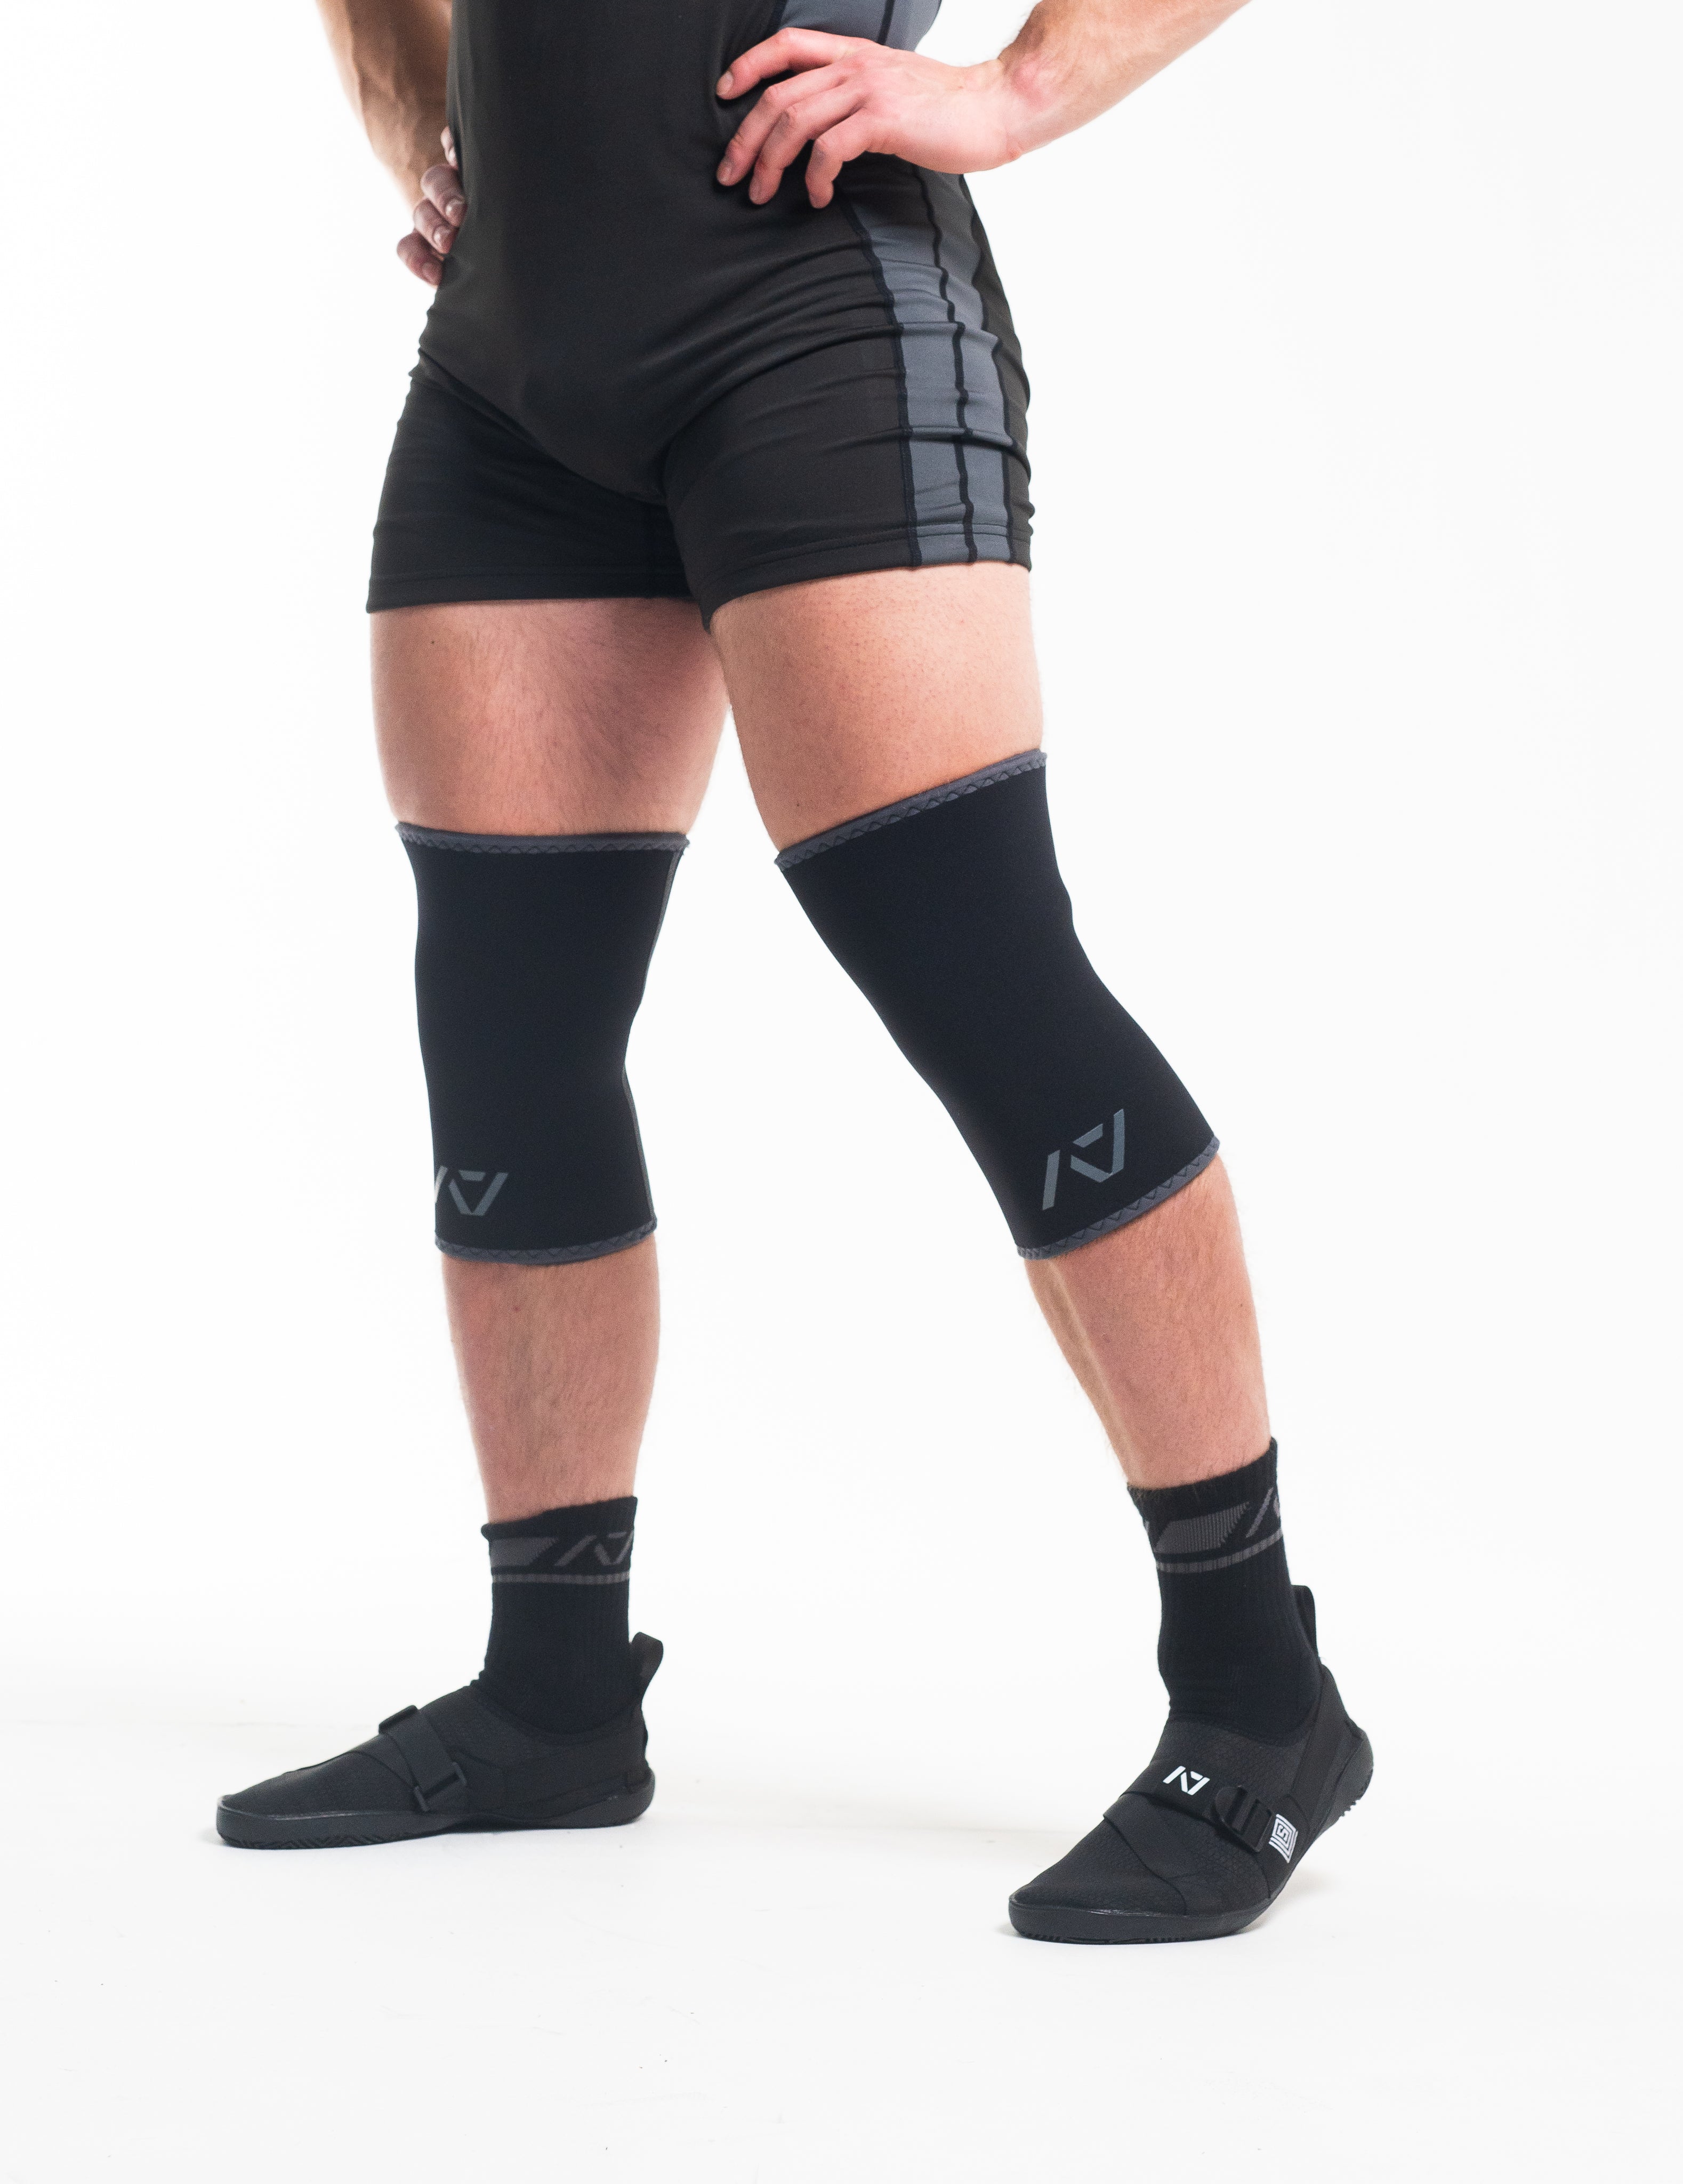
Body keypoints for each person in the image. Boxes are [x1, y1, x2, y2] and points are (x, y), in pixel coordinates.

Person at [216, 0, 1371, 1944]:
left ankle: (1261, 1697)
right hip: (512, 354)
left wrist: (1014, 91)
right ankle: (555, 1696)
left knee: (975, 965)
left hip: (810, 313)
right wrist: (425, 113)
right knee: (508, 1021)